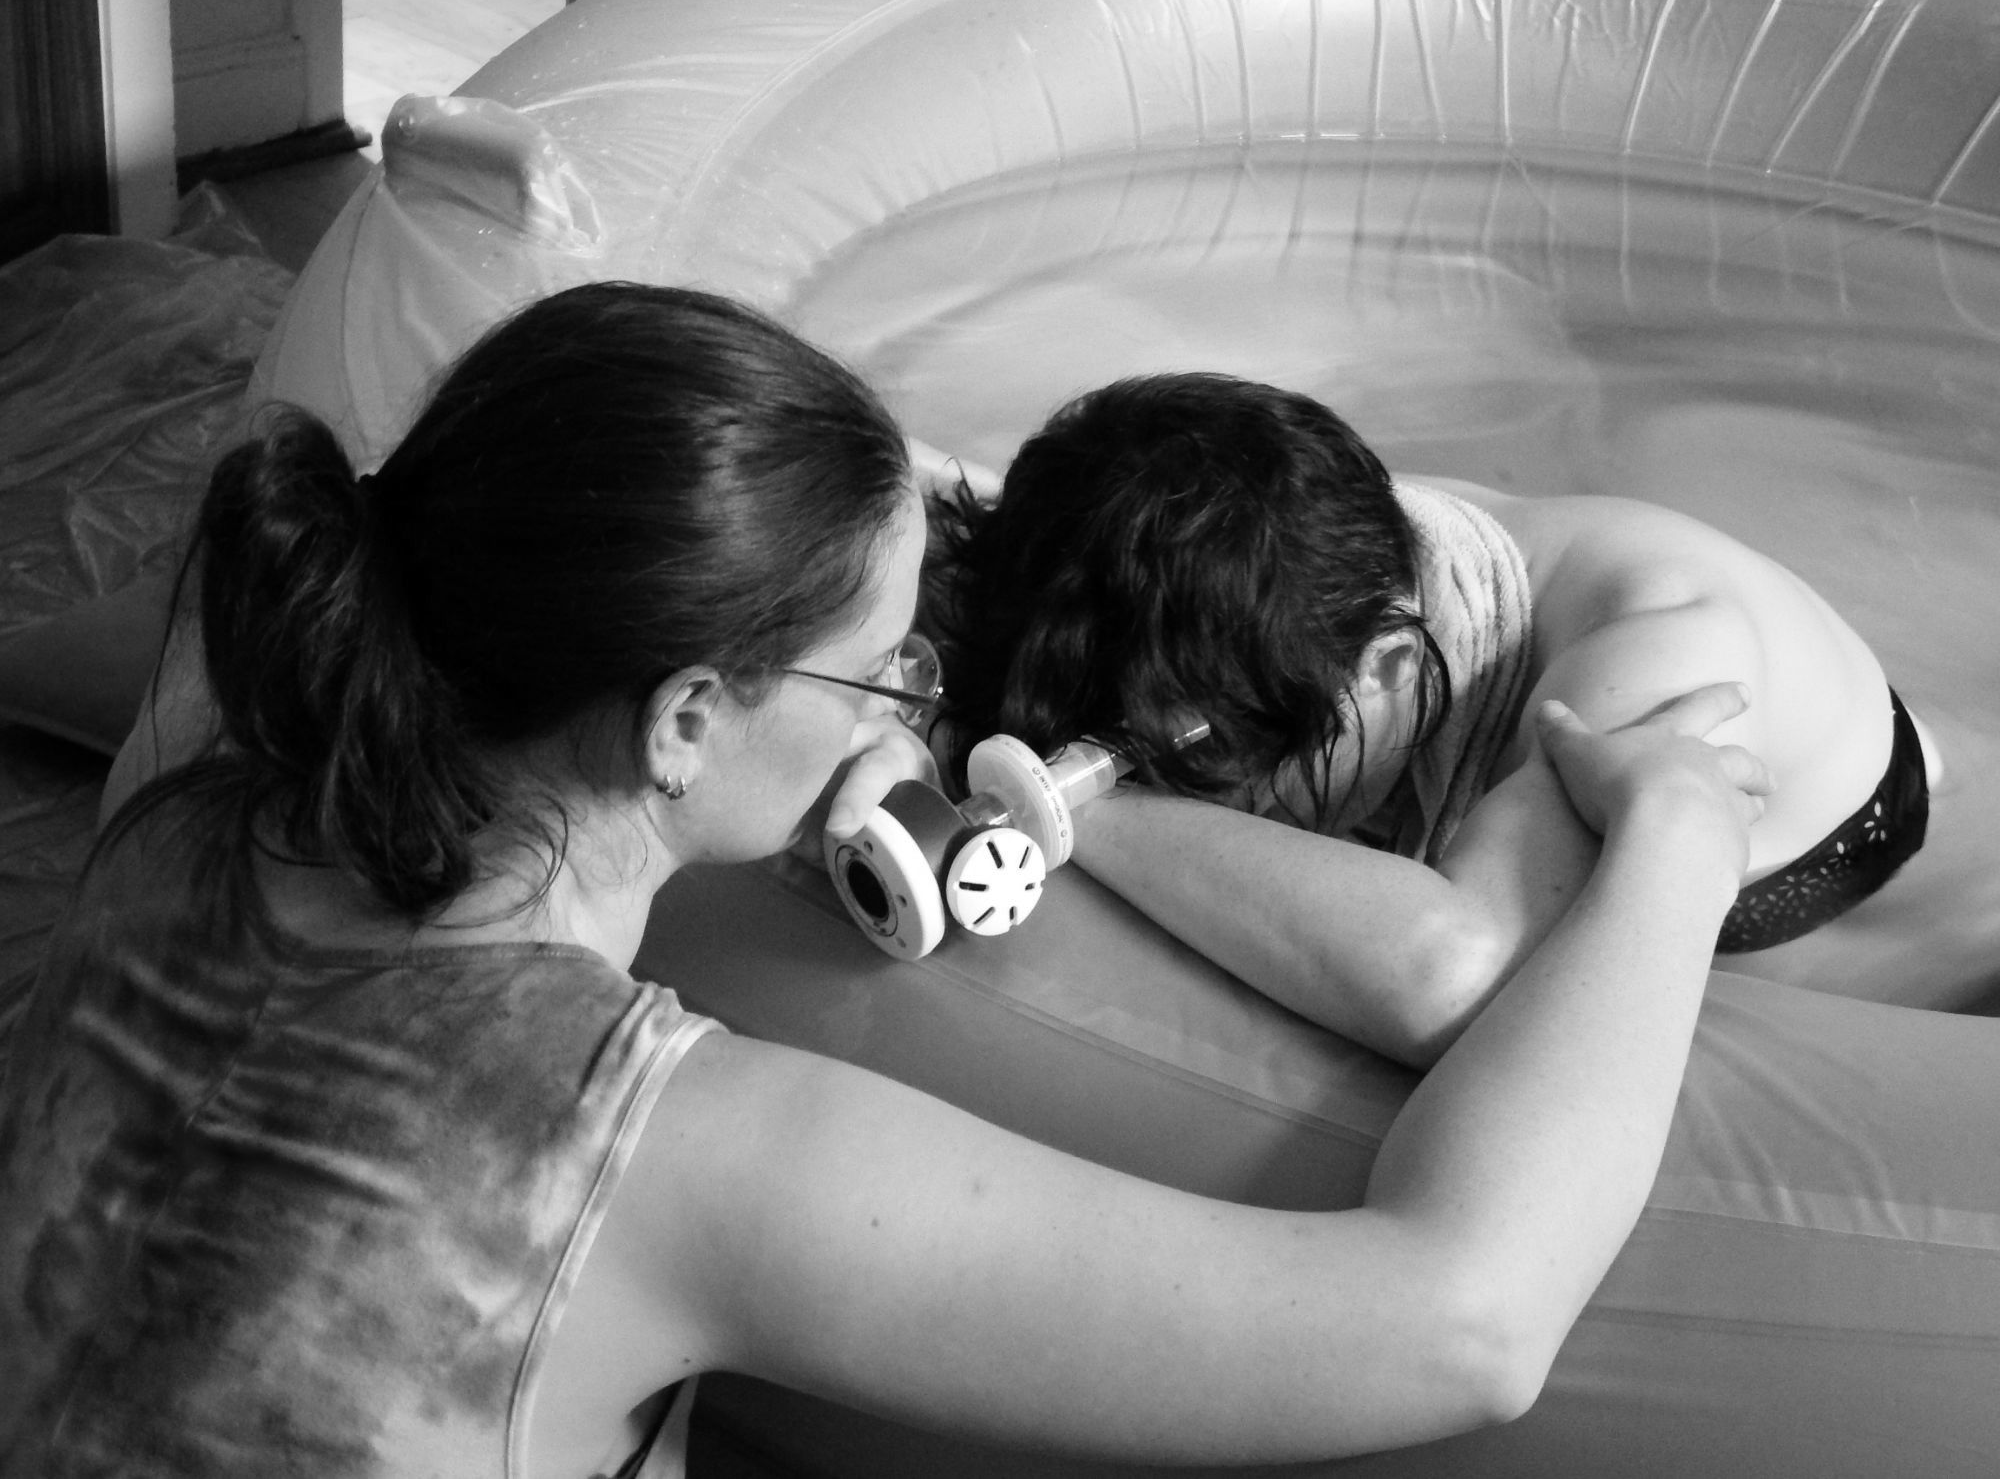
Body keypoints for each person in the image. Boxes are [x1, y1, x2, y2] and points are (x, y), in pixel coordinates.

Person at [0, 284, 1767, 1478]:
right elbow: (1460, 1325)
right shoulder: (666, 1148)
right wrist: (1675, 850)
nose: (923, 699)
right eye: (881, 668)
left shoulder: (184, 814)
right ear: (687, 714)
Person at [928, 371, 1951, 1067]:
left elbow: (1450, 984)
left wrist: (1066, 803)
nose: (1197, 787)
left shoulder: (1629, 681)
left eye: (1204, 758)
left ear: (1385, 667)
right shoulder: (1262, 558)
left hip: (1807, 854)